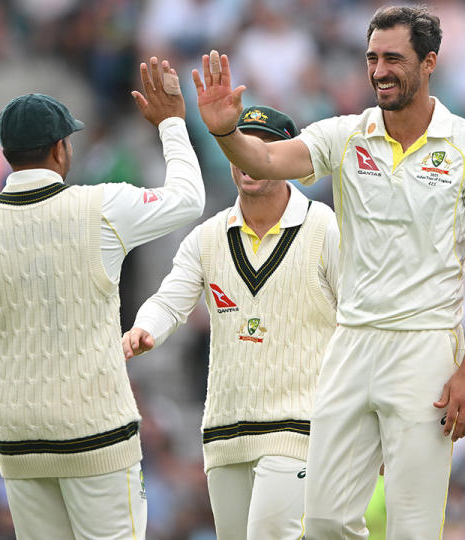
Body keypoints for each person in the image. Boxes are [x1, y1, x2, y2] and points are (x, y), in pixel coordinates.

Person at [191, 5, 465, 537]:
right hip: (352, 343)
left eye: (394, 58)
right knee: (322, 520)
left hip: (424, 344)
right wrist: (226, 131)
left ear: (429, 62)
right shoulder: (346, 135)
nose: (380, 70)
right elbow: (267, 161)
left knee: (412, 524)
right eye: (372, 58)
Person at [0, 57, 205, 539]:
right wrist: (173, 123)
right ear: (60, 150)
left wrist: (16, 316)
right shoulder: (100, 207)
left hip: (19, 442)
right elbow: (188, 198)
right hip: (94, 435)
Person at [122, 105, 338, 539]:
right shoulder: (209, 236)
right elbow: (171, 298)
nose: (247, 158)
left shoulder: (325, 228)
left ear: (285, 157)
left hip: (300, 426)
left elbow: (358, 318)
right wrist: (146, 326)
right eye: (239, 146)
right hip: (226, 431)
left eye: (262, 147)